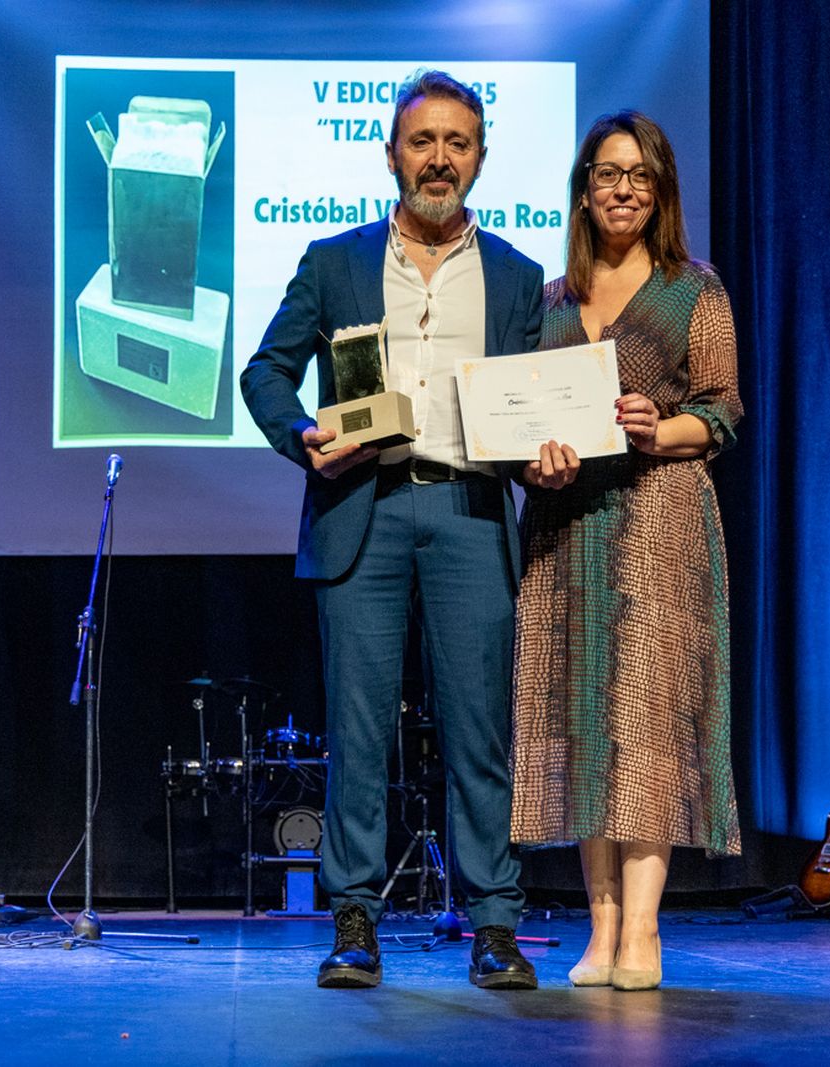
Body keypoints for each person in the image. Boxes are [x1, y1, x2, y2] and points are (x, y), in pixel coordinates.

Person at [240, 70, 555, 990]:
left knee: (478, 731)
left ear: (482, 160)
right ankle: (353, 923)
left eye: (459, 143)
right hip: (362, 513)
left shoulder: (515, 276)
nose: (441, 159)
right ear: (391, 155)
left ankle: (494, 923)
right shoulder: (333, 261)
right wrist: (304, 437)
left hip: (468, 511)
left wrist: (551, 448)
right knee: (360, 728)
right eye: (425, 142)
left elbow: (534, 402)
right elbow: (265, 371)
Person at [508, 111, 743, 992]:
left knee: (643, 724)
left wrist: (661, 426)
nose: (623, 189)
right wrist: (538, 457)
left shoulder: (695, 290)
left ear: (662, 191)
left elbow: (722, 410)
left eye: (641, 175)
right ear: (583, 188)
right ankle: (599, 927)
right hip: (569, 526)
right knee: (583, 724)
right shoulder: (550, 303)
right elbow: (523, 417)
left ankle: (643, 928)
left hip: (658, 517)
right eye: (608, 174)